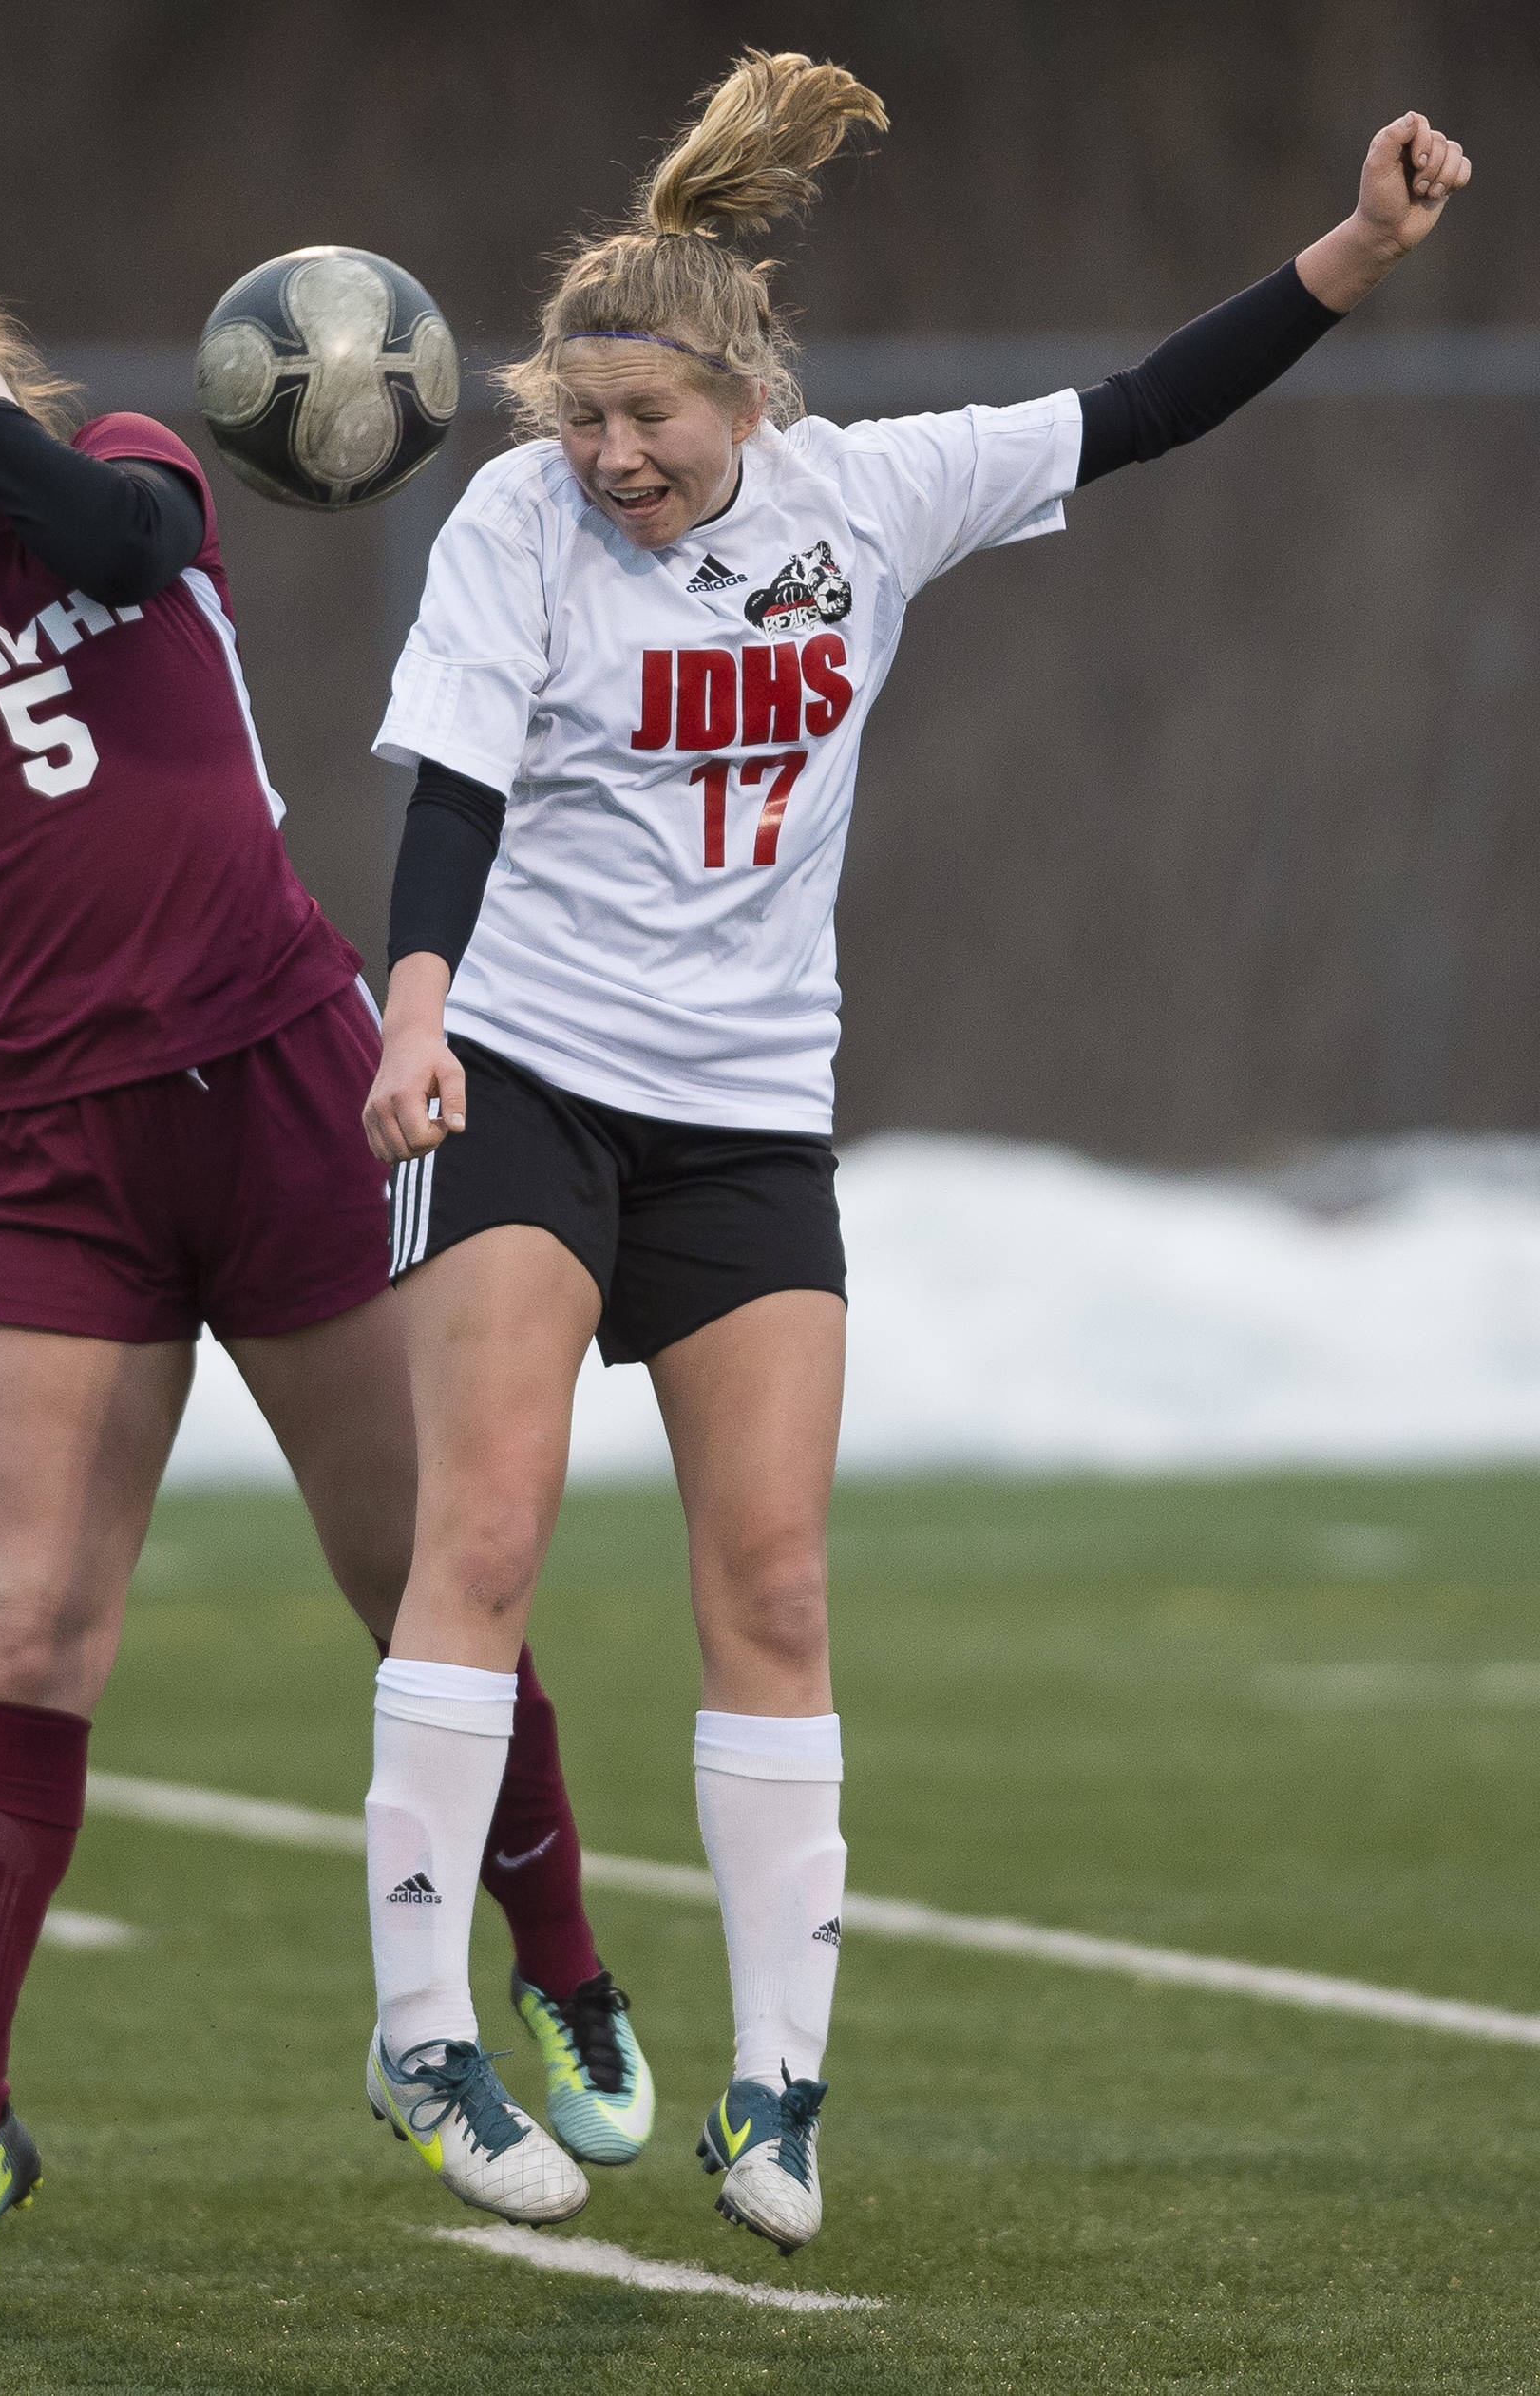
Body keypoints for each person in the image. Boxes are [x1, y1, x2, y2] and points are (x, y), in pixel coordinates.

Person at [358, 50, 1471, 2253]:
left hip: (752, 1109)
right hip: (520, 1081)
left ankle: (775, 2092)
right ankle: (419, 2027)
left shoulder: (873, 496)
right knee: (480, 1536)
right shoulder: (516, 526)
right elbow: (452, 798)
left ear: (745, 395)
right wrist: (409, 1015)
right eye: (576, 423)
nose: (606, 458)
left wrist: (1355, 251)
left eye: (643, 423)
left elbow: (1145, 408)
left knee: (771, 1582)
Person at [0, 246, 655, 2310]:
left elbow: (113, 522)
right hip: (57, 1149)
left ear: (24, 392)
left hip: (283, 1082)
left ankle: (563, 1964)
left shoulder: (126, 473)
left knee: (421, 1571)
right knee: (33, 1621)